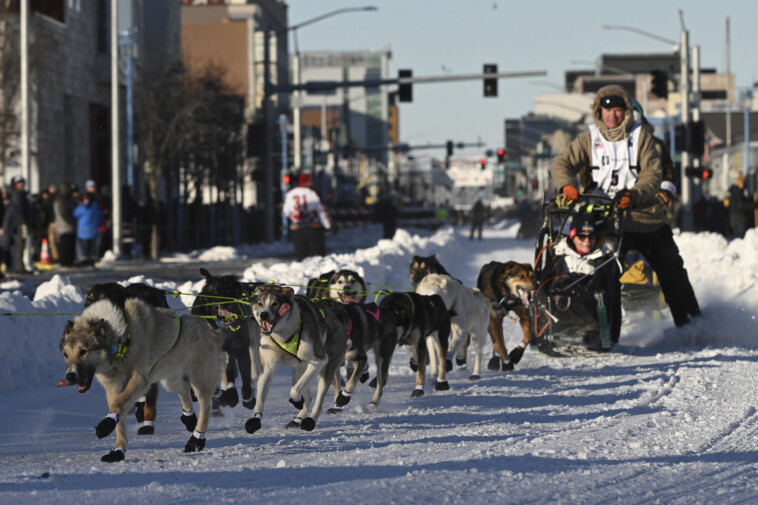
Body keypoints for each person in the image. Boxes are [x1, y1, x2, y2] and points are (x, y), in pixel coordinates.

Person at [551, 84, 701, 328]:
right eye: (607, 111)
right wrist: (566, 185)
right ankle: (599, 329)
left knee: (671, 267)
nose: (613, 116)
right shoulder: (588, 138)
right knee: (598, 272)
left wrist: (634, 195)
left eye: (618, 111)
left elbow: (654, 173)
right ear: (599, 112)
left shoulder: (642, 137)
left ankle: (692, 324)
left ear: (627, 112)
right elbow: (562, 162)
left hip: (643, 216)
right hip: (602, 220)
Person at [282, 173, 332, 261]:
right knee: (318, 256)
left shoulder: (290, 194)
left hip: (297, 228)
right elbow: (322, 211)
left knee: (301, 256)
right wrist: (328, 226)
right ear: (309, 182)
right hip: (313, 227)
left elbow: (285, 212)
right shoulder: (312, 193)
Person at [73, 185, 104, 266]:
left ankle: (83, 260)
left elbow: (75, 214)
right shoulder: (97, 207)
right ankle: (91, 261)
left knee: (83, 250)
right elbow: (101, 217)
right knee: (92, 249)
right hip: (94, 231)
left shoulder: (83, 207)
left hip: (82, 232)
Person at [9, 176, 32, 273]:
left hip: (22, 222)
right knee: (20, 244)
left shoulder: (22, 194)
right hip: (20, 223)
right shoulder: (17, 195)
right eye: (19, 183)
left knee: (22, 244)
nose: (21, 185)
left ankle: (20, 265)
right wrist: (23, 222)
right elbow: (19, 210)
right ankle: (19, 267)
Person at [724, 174, 756, 239]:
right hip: (740, 219)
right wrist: (754, 205)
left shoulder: (732, 191)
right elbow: (741, 205)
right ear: (741, 182)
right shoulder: (738, 192)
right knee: (740, 239)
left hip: (733, 219)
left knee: (736, 239)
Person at [54, 183, 77, 267]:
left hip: (67, 226)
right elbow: (63, 213)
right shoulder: (62, 199)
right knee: (65, 245)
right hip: (65, 226)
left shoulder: (66, 199)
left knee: (69, 245)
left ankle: (69, 261)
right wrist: (71, 222)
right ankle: (65, 262)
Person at [0, 185, 16, 277]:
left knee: (7, 251)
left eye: (6, 192)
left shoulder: (10, 204)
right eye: (3, 192)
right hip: (2, 230)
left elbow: (13, 218)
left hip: (7, 231)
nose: (4, 194)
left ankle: (7, 269)